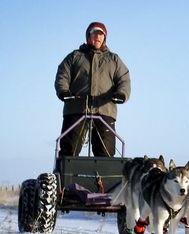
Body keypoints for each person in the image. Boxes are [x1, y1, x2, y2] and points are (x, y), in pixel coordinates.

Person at [54, 22, 131, 157]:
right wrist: (63, 91)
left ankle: (104, 177)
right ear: (88, 36)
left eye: (101, 35)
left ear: (104, 38)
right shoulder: (75, 56)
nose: (97, 38)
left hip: (104, 109)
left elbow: (124, 79)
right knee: (69, 148)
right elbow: (62, 75)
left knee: (106, 151)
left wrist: (121, 94)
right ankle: (65, 175)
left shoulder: (113, 59)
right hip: (76, 107)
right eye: (94, 34)